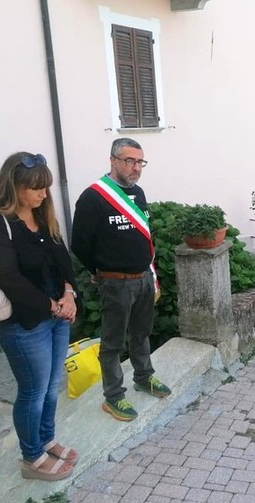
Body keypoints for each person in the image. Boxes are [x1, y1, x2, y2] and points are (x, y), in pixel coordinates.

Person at [0, 152, 79, 481]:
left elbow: (64, 261)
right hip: (23, 322)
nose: (44, 194)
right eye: (36, 188)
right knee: (32, 391)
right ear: (14, 186)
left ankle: (46, 440)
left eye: (46, 187)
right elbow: (6, 275)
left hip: (57, 315)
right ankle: (31, 457)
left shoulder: (44, 218)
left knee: (51, 387)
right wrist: (52, 305)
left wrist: (69, 294)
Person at [72, 138, 171, 423]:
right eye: (129, 161)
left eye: (140, 162)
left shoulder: (138, 193)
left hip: (142, 279)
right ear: (113, 160)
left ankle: (144, 377)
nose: (136, 168)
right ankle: (113, 396)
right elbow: (80, 243)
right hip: (115, 282)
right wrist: (101, 271)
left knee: (141, 333)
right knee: (113, 343)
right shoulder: (93, 197)